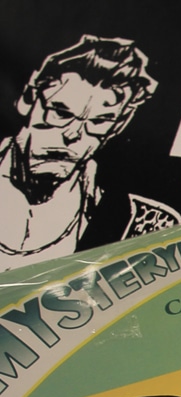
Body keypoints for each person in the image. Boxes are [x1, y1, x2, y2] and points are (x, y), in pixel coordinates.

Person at [1, 35, 156, 264]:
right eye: (60, 113)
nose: (73, 134)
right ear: (29, 98)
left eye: (99, 122)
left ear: (118, 125)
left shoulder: (134, 222)